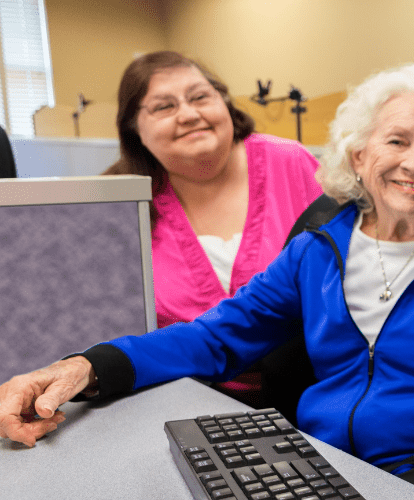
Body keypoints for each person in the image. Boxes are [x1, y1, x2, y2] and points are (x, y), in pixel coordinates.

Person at [0, 63, 414, 500]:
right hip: (319, 459)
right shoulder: (320, 242)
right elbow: (214, 338)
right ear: (359, 153)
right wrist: (87, 367)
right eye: (396, 142)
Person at [102, 51, 323, 405]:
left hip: (310, 394)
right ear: (133, 126)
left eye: (200, 97)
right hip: (179, 396)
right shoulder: (119, 204)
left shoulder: (291, 163)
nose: (189, 115)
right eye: (164, 106)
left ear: (225, 102)